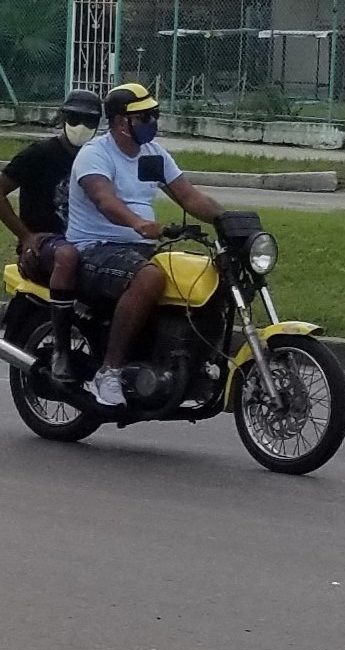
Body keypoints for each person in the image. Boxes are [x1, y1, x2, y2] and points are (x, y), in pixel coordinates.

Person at [65, 82, 227, 409]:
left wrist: (229, 220)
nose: (153, 121)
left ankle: (188, 363)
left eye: (154, 114)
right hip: (94, 248)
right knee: (150, 277)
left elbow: (189, 196)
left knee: (204, 276)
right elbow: (104, 200)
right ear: (121, 122)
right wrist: (137, 223)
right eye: (146, 116)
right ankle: (108, 372)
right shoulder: (95, 153)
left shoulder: (153, 155)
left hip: (138, 251)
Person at [0, 89, 101, 381]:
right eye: (75, 118)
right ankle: (61, 351)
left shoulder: (97, 158)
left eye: (89, 120)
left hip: (84, 245)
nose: (82, 126)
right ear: (63, 118)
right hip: (46, 249)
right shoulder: (39, 155)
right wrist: (26, 236)